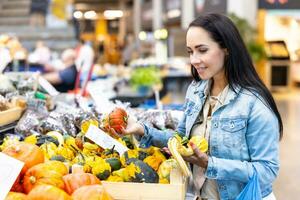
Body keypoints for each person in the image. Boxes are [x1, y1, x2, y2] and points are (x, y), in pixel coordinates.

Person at [116, 14, 282, 200]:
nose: (194, 59)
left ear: (226, 49)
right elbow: (180, 140)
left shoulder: (254, 103)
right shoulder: (196, 90)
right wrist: (142, 130)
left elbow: (267, 170)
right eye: (190, 52)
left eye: (202, 50)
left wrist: (209, 163)